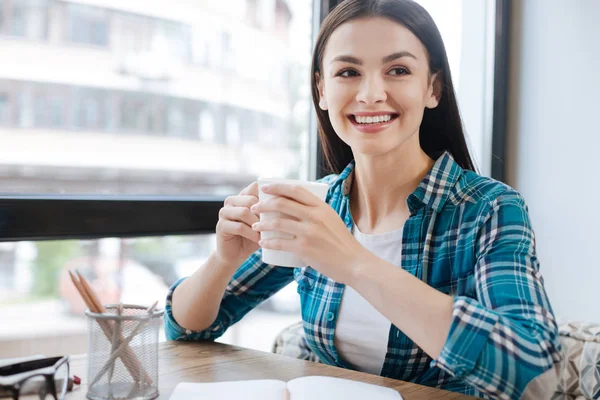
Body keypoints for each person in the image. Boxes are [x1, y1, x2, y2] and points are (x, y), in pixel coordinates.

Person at [165, 0, 562, 398]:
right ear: (322, 90)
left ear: (433, 88)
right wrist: (223, 260)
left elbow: (536, 375)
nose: (371, 94)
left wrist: (353, 263)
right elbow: (185, 328)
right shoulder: (318, 205)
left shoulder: (489, 208)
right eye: (348, 72)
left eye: (398, 70)